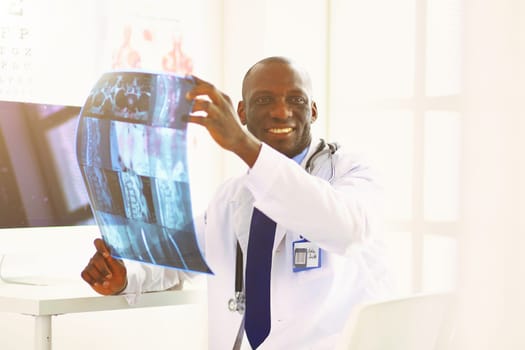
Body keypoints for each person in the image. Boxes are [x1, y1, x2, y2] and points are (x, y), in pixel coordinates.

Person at [81, 56, 393, 349]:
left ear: (313, 110)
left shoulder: (351, 172)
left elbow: (347, 228)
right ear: (241, 112)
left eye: (296, 100)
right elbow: (177, 260)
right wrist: (123, 273)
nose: (282, 112)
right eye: (264, 100)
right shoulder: (230, 199)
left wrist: (244, 145)